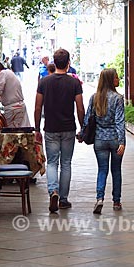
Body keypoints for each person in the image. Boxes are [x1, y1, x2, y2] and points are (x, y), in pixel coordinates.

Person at [34, 48, 84, 213]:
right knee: (66, 163)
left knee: (52, 162)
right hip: (68, 128)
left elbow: (37, 107)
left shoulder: (44, 82)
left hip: (51, 128)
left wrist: (36, 128)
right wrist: (82, 127)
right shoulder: (74, 83)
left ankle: (53, 191)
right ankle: (63, 199)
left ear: (54, 63)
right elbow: (80, 107)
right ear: (68, 63)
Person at [79, 68, 125, 214]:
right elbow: (120, 122)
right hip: (115, 139)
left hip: (100, 139)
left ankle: (100, 198)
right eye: (116, 78)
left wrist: (82, 133)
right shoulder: (118, 98)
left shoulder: (95, 97)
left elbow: (87, 118)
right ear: (111, 80)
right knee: (116, 170)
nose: (118, 80)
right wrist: (122, 141)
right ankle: (116, 201)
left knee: (102, 170)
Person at [0, 61, 31, 128]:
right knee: (23, 129)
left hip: (13, 108)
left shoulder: (3, 73)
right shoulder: (9, 72)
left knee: (12, 132)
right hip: (20, 105)